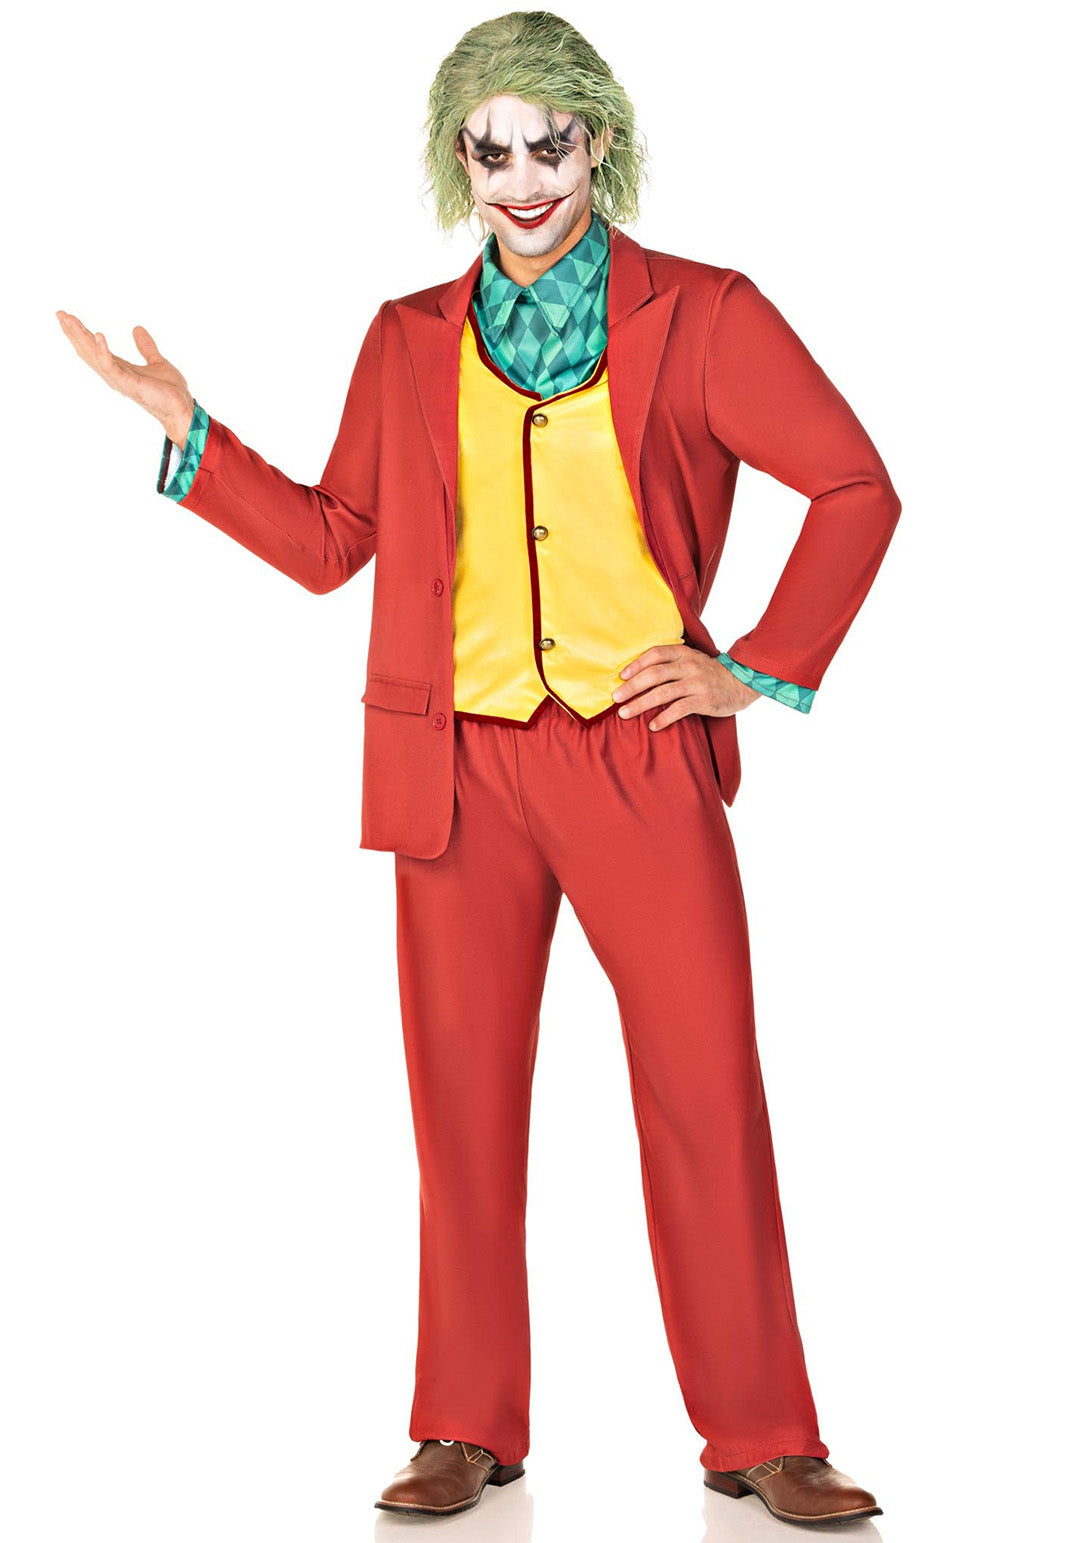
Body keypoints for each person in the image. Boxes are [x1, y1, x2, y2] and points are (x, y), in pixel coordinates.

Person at [57, 10, 900, 1527]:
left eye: (548, 143)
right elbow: (336, 544)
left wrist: (753, 668)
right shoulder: (406, 337)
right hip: (454, 769)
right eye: (489, 148)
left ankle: (764, 1431)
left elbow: (855, 485)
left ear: (600, 140)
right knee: (461, 1106)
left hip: (637, 757)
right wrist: (191, 432)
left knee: (707, 1087)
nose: (521, 178)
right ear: (459, 157)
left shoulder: (707, 313)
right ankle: (463, 1420)